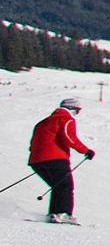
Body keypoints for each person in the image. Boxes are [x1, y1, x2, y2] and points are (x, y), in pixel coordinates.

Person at [29, 96, 94, 225]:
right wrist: (86, 151)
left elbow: (33, 143)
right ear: (72, 108)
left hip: (36, 161)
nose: (77, 113)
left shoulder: (43, 122)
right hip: (56, 158)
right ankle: (62, 214)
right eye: (78, 110)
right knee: (65, 185)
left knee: (58, 185)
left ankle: (54, 214)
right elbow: (69, 138)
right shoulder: (66, 119)